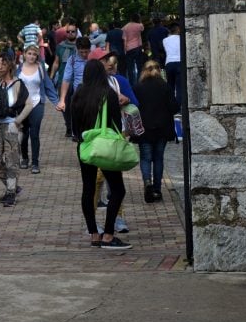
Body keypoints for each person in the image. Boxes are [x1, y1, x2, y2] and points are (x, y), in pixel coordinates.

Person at [70, 59, 132, 249]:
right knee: (118, 189)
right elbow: (114, 123)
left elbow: (73, 125)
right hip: (104, 146)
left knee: (88, 189)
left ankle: (94, 234)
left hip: (85, 145)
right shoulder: (108, 94)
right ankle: (108, 234)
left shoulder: (78, 94)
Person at [89, 48, 138, 233]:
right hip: (96, 138)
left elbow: (135, 103)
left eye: (109, 59)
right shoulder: (86, 88)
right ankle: (93, 223)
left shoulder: (119, 81)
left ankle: (118, 218)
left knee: (115, 181)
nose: (109, 62)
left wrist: (125, 100)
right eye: (104, 60)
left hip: (117, 135)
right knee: (96, 180)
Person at [0, 55, 34, 206]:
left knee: (11, 160)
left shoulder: (18, 84)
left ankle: (11, 193)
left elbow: (29, 104)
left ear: (10, 66)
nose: (0, 66)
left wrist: (17, 122)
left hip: (11, 125)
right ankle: (12, 186)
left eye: (3, 63)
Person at [133, 60, 179, 203]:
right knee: (158, 158)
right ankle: (157, 190)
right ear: (159, 71)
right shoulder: (165, 87)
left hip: (144, 128)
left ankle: (147, 182)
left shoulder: (138, 87)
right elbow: (174, 108)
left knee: (146, 158)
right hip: (162, 128)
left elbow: (133, 107)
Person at [16, 44, 59, 174]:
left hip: (37, 103)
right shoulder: (18, 70)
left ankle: (35, 163)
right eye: (29, 53)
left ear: (37, 56)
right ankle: (24, 158)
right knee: (24, 133)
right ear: (24, 54)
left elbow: (48, 86)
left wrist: (57, 102)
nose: (31, 56)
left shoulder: (40, 69)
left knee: (34, 134)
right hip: (22, 106)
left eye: (34, 54)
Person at [55, 36, 91, 140]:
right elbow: (66, 80)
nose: (84, 54)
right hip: (79, 95)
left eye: (86, 52)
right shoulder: (72, 60)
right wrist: (62, 100)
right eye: (81, 52)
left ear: (89, 49)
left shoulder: (94, 58)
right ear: (77, 49)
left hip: (92, 95)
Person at [49, 25, 78, 136]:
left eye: (73, 31)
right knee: (64, 104)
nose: (70, 33)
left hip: (77, 80)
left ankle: (76, 126)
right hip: (63, 80)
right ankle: (69, 127)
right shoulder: (60, 46)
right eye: (68, 31)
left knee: (76, 104)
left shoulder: (81, 46)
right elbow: (56, 62)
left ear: (76, 32)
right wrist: (51, 76)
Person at [122, 13, 145, 86]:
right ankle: (139, 82)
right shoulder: (139, 25)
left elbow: (124, 39)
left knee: (130, 67)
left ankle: (132, 84)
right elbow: (142, 29)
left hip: (129, 48)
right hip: (138, 47)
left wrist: (125, 49)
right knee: (139, 66)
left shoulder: (125, 27)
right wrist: (140, 21)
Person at [163, 23, 182, 106]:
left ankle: (171, 104)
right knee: (179, 87)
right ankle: (178, 106)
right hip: (179, 62)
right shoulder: (181, 39)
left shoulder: (165, 40)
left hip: (169, 63)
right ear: (177, 29)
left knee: (170, 86)